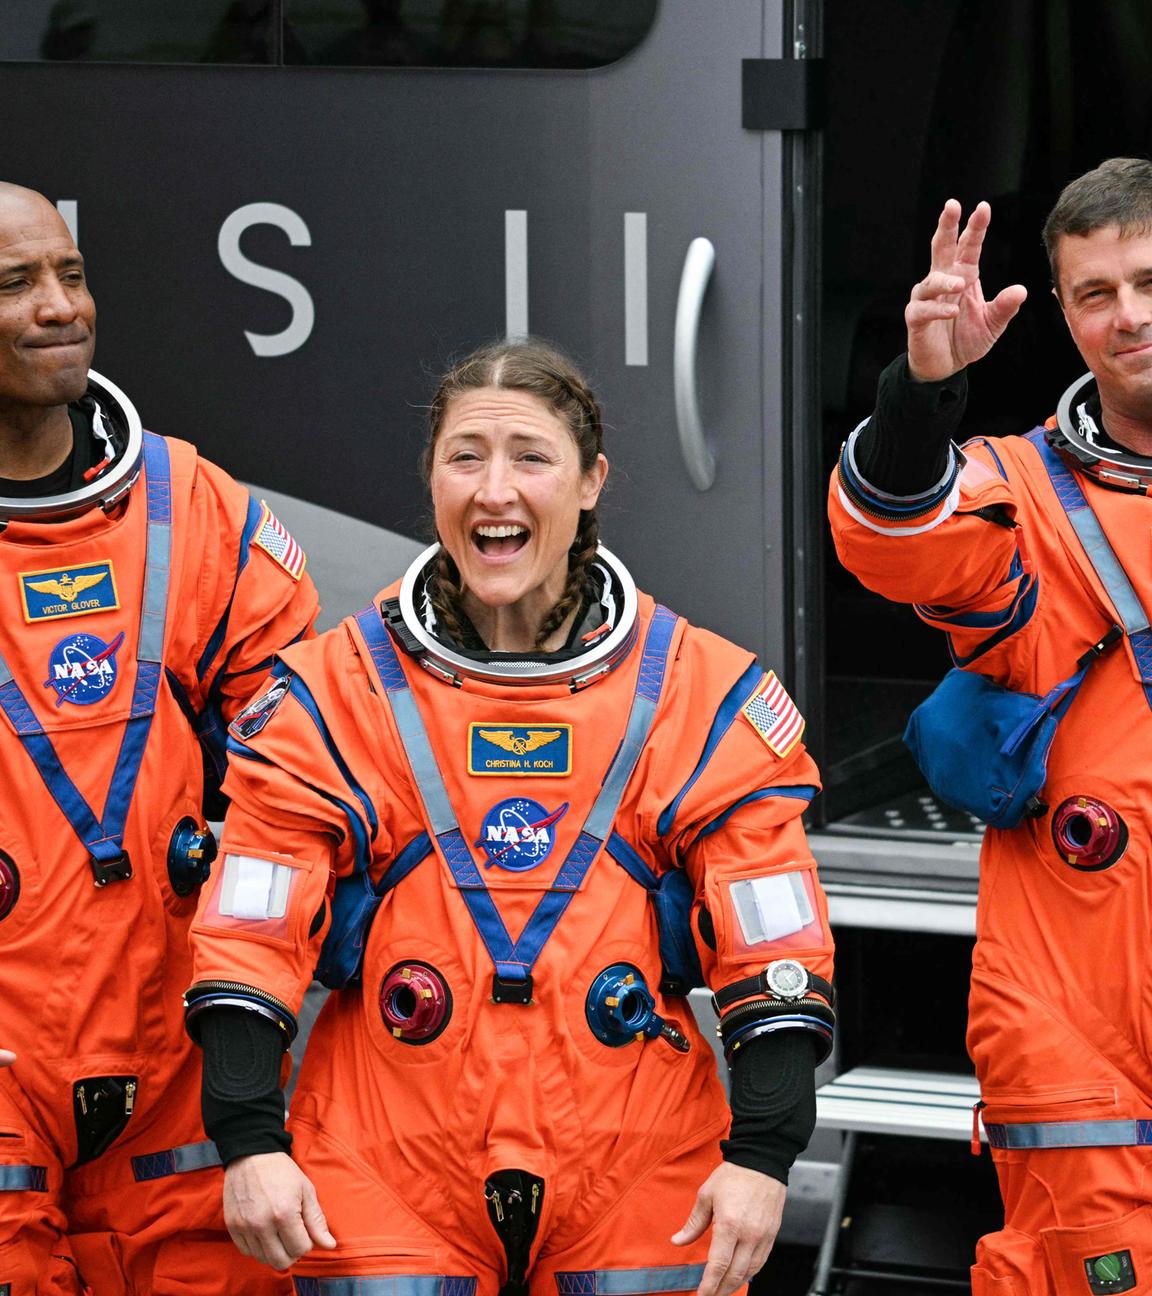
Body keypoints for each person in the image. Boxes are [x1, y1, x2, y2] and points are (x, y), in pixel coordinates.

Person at [186, 339, 837, 1295]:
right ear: (432, 479)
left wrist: (764, 1155)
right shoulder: (340, 689)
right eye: (466, 457)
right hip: (387, 1158)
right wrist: (248, 1138)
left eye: (530, 457)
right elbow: (252, 930)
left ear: (590, 483)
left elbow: (773, 944)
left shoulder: (699, 692)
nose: (495, 490)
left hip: (636, 1156)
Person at [828, 157, 1152, 1295]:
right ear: (1062, 315)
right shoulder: (1027, 497)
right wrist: (922, 391)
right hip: (1087, 1034)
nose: (1131, 314)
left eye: (1149, 279)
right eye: (1097, 292)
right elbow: (892, 538)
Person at [0, 182, 318, 1294]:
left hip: (176, 1035)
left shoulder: (194, 508)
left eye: (71, 276)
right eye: (15, 285)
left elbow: (297, 781)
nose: (58, 308)